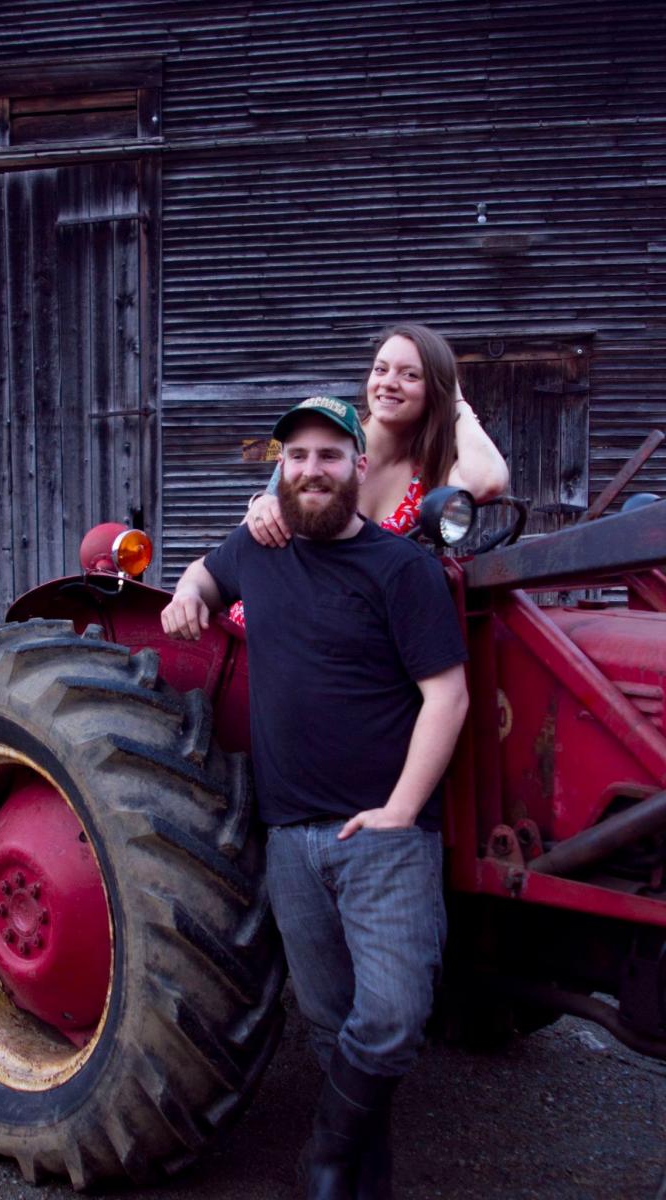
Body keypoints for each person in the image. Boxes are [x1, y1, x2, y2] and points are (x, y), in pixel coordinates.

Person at [161, 396, 470, 1200]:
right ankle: (365, 1179)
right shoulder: (256, 549)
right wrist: (190, 592)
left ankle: (325, 1159)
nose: (310, 469)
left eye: (329, 456)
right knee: (330, 1026)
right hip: (288, 835)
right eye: (295, 456)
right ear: (279, 467)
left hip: (381, 836)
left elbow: (448, 697)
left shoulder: (402, 570)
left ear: (358, 469)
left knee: (394, 1018)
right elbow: (204, 571)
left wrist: (401, 811)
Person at [244, 321, 508, 549]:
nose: (388, 383)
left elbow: (487, 481)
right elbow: (250, 532)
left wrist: (457, 402)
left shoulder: (430, 468)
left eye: (410, 375)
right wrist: (260, 505)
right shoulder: (327, 440)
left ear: (437, 389)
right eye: (381, 369)